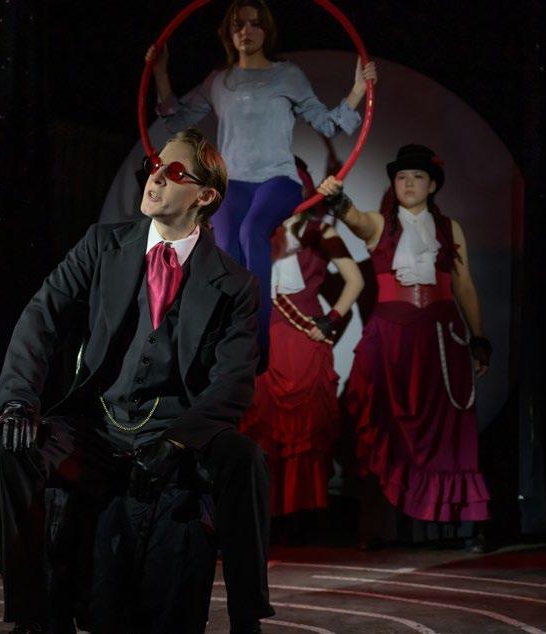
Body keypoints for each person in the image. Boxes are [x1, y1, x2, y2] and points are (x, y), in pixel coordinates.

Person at [0, 129, 272, 634]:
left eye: (174, 172)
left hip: (176, 432)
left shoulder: (234, 284)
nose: (155, 177)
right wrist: (18, 400)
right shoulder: (102, 244)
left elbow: (234, 383)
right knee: (8, 450)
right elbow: (40, 316)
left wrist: (179, 441)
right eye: (156, 166)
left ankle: (248, 619)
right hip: (97, 427)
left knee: (244, 458)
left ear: (205, 196)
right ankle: (33, 617)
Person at [146, 0, 376, 361]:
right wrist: (161, 72)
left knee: (252, 230)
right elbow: (176, 121)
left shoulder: (288, 76)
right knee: (226, 251)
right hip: (233, 184)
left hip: (277, 181)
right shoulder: (218, 81)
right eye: (238, 24)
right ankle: (225, 343)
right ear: (228, 32)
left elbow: (328, 124)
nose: (246, 31)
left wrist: (359, 90)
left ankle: (258, 343)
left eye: (254, 24)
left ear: (266, 31)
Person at [318, 144, 492, 548]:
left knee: (448, 434)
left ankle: (458, 525)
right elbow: (356, 219)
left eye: (417, 177)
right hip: (391, 340)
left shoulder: (450, 228)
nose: (408, 184)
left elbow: (464, 285)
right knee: (383, 424)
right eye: (401, 177)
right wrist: (338, 200)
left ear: (432, 185)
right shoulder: (381, 223)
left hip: (440, 339)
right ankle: (382, 528)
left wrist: (479, 337)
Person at [240, 158, 363, 540]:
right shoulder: (252, 231)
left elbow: (355, 280)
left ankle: (300, 521)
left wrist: (331, 319)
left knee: (305, 435)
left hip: (304, 344)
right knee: (259, 428)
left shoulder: (320, 231)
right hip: (263, 342)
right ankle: (259, 516)